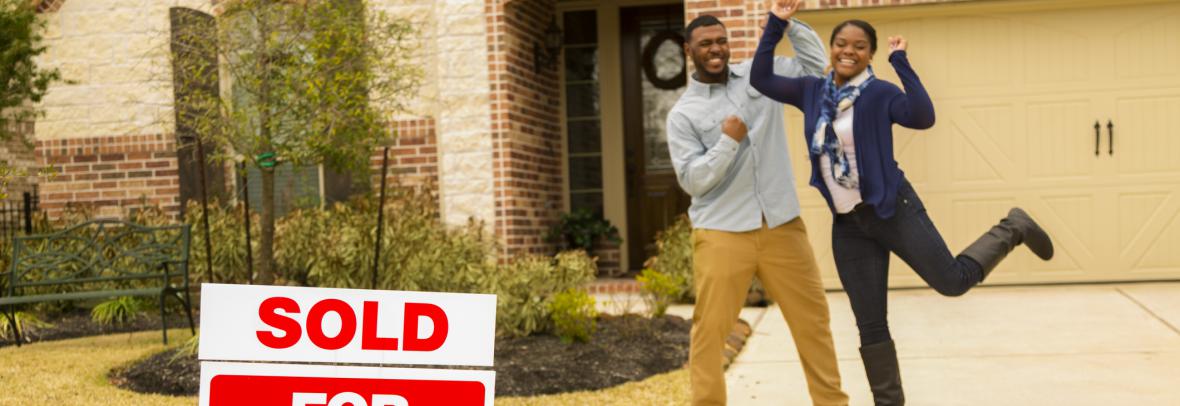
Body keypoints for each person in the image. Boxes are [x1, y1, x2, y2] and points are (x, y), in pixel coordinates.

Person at [750, 2, 1055, 405]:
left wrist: (902, 62)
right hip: (849, 226)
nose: (848, 51)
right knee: (870, 325)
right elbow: (761, 78)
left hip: (893, 209)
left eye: (859, 46)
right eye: (841, 43)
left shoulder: (879, 93)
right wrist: (777, 25)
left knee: (952, 282)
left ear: (869, 54)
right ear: (832, 47)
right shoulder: (811, 91)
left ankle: (1013, 227)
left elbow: (923, 116)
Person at [666, 4, 849, 405]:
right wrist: (728, 141)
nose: (716, 49)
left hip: (782, 224)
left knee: (813, 322)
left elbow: (816, 66)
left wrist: (785, 23)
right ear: (688, 51)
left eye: (721, 41)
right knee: (711, 331)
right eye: (705, 44)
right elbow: (693, 180)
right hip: (722, 232)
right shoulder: (683, 114)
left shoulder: (758, 74)